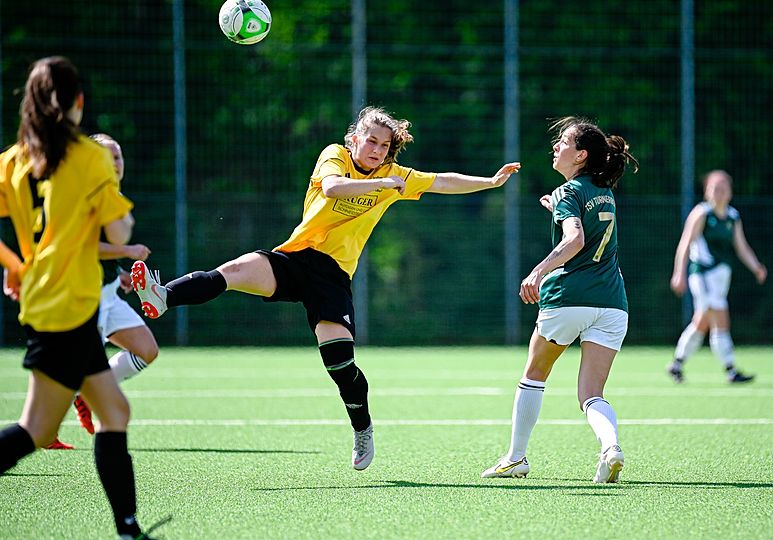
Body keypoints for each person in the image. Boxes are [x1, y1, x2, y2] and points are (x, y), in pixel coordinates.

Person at [131, 105, 521, 471]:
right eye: (371, 141)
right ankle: (163, 297)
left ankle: (362, 428)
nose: (377, 149)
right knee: (234, 270)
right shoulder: (335, 155)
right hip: (296, 257)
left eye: (384, 145)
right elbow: (333, 188)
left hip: (332, 275)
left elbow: (441, 181)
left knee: (339, 364)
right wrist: (385, 182)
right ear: (355, 139)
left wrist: (490, 181)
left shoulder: (395, 174)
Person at [0, 56, 151, 539]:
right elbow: (120, 228)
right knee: (37, 429)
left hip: (57, 304)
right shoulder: (87, 156)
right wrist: (117, 216)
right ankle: (128, 529)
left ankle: (128, 528)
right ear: (78, 102)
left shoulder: (14, 159)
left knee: (115, 412)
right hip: (69, 307)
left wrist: (13, 266)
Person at [481, 117, 637, 483]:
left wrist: (537, 272)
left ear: (581, 155)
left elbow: (576, 240)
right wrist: (559, 209)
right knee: (591, 394)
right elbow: (591, 231)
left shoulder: (569, 192)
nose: (556, 146)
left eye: (564, 142)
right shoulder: (603, 191)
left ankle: (515, 458)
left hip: (570, 298)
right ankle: (610, 447)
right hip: (612, 303)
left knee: (534, 375)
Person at [63, 134, 158, 438]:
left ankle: (84, 396)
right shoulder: (88, 193)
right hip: (86, 294)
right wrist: (128, 251)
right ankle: (41, 428)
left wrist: (119, 273)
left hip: (107, 293)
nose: (116, 162)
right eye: (108, 156)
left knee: (146, 350)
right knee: (76, 365)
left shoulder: (111, 193)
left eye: (118, 156)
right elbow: (83, 245)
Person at [666, 170, 767, 384]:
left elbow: (741, 246)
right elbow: (685, 244)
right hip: (702, 275)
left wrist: (756, 266)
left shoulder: (732, 216)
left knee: (701, 322)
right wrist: (679, 273)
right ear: (707, 191)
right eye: (715, 188)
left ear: (730, 192)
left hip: (721, 278)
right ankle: (730, 369)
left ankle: (677, 364)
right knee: (720, 317)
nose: (719, 192)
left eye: (723, 188)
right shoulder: (701, 213)